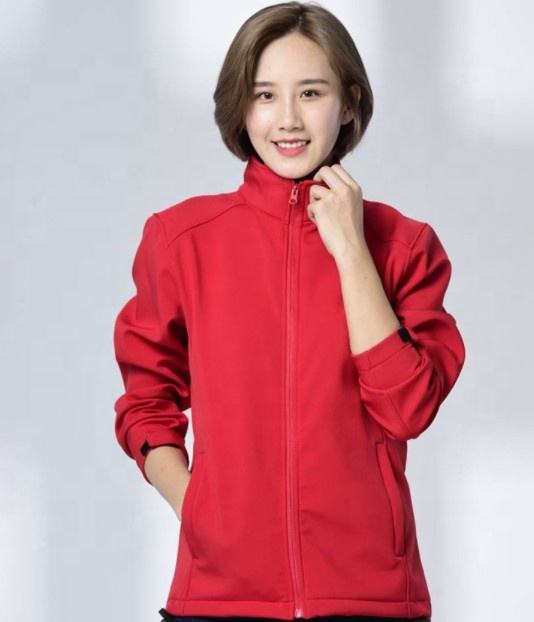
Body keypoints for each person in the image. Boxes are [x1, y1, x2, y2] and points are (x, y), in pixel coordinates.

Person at [113, 2, 466, 621]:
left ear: (349, 103)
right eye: (265, 95)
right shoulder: (182, 241)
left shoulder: (404, 247)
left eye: (311, 92)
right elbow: (146, 402)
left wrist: (351, 248)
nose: (288, 119)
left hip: (371, 599)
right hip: (219, 598)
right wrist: (198, 509)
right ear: (241, 107)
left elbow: (406, 409)